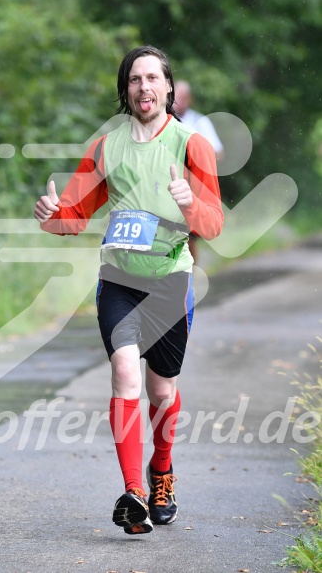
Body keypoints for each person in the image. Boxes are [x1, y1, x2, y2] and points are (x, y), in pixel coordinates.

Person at [34, 45, 223, 535]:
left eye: (153, 78)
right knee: (124, 371)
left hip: (169, 280)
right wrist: (51, 218)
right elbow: (73, 219)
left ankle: (162, 471)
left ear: (167, 87)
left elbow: (214, 224)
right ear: (126, 89)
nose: (144, 87)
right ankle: (134, 492)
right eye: (135, 79)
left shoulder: (190, 145)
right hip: (118, 279)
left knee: (161, 391)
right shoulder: (105, 147)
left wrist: (188, 204)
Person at [174, 80, 224, 263]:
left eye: (182, 98)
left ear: (190, 100)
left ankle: (189, 271)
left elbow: (218, 152)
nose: (177, 102)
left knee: (187, 233)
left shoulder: (200, 122)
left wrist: (195, 158)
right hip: (166, 183)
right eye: (174, 97)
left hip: (193, 185)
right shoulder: (163, 121)